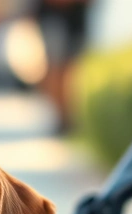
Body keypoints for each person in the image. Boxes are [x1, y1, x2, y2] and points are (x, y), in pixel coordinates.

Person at [34, 0, 91, 134]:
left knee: (72, 69)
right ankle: (62, 118)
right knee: (55, 68)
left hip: (75, 15)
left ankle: (69, 117)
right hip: (52, 14)